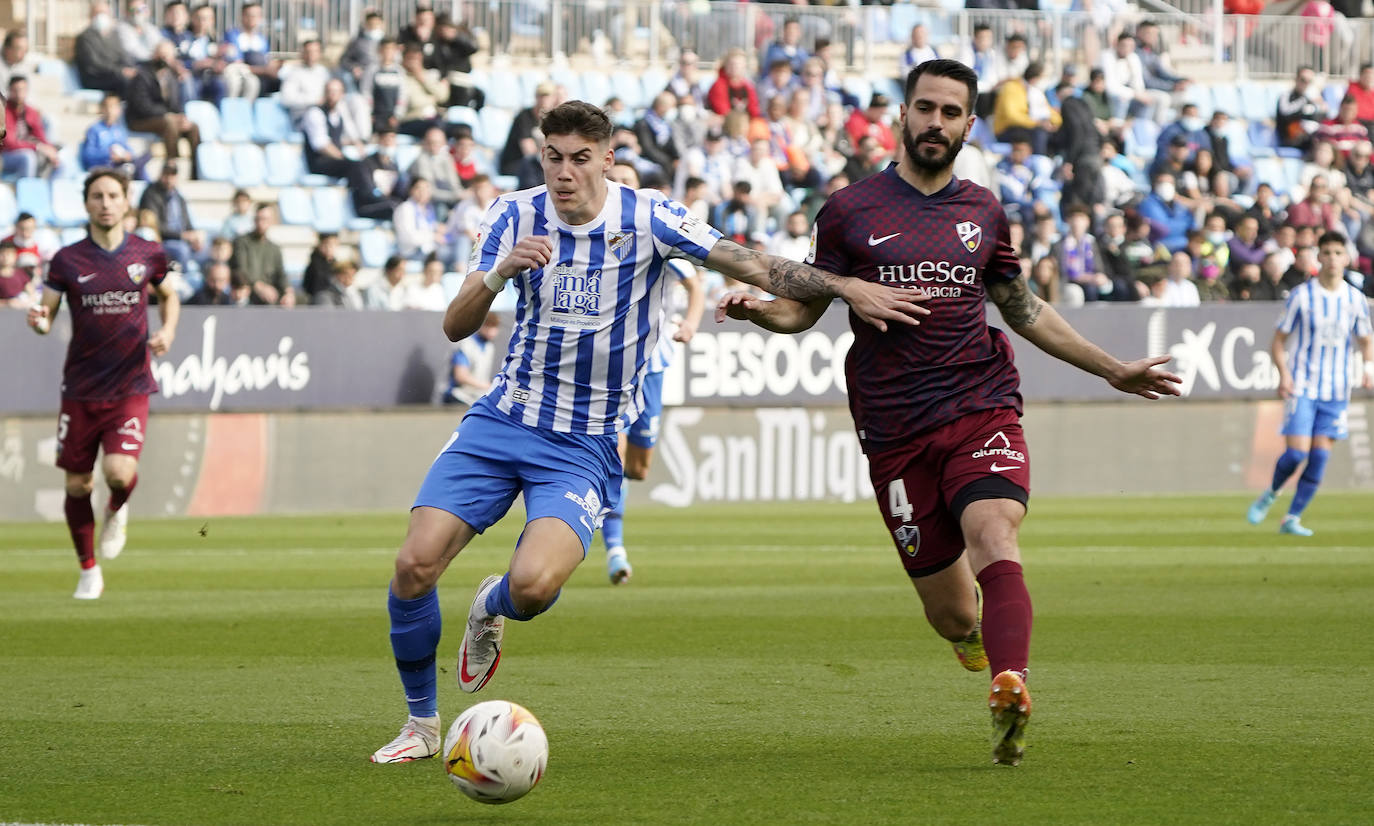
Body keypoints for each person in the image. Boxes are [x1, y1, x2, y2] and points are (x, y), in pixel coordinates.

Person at [368, 99, 926, 764]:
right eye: (554, 157)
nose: (565, 172)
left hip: (583, 444)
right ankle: (421, 726)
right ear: (540, 154)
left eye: (580, 158)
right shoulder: (513, 214)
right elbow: (455, 325)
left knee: (533, 587)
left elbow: (753, 264)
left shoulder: (650, 216)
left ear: (607, 158)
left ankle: (492, 602)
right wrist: (497, 274)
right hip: (503, 419)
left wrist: (844, 287)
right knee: (414, 564)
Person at [715, 59, 1181, 768]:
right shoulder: (849, 210)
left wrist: (1113, 367)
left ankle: (1010, 684)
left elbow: (1023, 310)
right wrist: (759, 314)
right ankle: (972, 642)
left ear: (969, 123)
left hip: (979, 404)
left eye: (950, 112)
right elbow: (801, 310)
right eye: (924, 108)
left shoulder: (983, 212)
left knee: (996, 532)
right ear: (902, 116)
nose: (935, 122)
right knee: (953, 612)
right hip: (894, 430)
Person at [25, 167, 180, 600]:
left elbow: (171, 297)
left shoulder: (148, 254)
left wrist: (166, 331)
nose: (106, 203)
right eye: (97, 196)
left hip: (130, 383)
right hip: (80, 388)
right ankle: (88, 570)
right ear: (87, 203)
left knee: (117, 472)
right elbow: (46, 314)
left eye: (113, 195)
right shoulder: (67, 260)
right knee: (77, 485)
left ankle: (118, 507)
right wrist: (38, 321)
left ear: (126, 201)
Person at [1247, 231, 1373, 536]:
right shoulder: (1302, 296)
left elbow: (1366, 339)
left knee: (1319, 457)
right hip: (1303, 385)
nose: (1331, 258)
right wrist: (1284, 374)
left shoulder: (1354, 299)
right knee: (1297, 454)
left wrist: (1368, 367)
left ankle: (1292, 518)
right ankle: (1271, 493)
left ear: (1346, 258)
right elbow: (1278, 341)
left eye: (1337, 253)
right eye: (1326, 252)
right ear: (1318, 257)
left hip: (1337, 389)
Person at [598, 255, 704, 584]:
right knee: (614, 458)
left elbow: (693, 285)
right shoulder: (606, 247)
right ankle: (615, 551)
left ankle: (614, 498)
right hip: (614, 369)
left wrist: (690, 323)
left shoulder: (660, 243)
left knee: (637, 468)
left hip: (654, 368)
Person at [124, 40, 201, 180]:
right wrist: (169, 115)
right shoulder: (142, 75)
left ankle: (196, 171)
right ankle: (172, 166)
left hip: (164, 118)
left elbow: (176, 103)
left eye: (167, 56)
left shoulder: (171, 76)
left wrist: (181, 117)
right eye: (161, 56)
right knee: (169, 122)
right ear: (155, 55)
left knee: (193, 127)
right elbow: (142, 106)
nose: (164, 60)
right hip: (140, 120)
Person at [230, 202, 294, 306]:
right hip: (247, 292)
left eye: (265, 219)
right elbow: (241, 269)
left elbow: (281, 273)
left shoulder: (274, 248)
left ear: (272, 221)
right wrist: (258, 286)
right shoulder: (242, 242)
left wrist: (288, 292)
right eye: (258, 219)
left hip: (270, 294)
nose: (261, 223)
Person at [3, 75, 61, 180]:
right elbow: (9, 143)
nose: (19, 94)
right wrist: (38, 147)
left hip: (29, 148)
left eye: (23, 90)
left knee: (61, 156)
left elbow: (41, 136)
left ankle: (48, 191)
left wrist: (50, 150)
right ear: (9, 91)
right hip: (6, 155)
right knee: (28, 157)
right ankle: (27, 193)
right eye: (15, 90)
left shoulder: (31, 111)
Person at [444, 311, 501, 405]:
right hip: (458, 396)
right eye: (488, 326)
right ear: (480, 326)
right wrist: (487, 386)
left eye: (495, 327)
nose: (492, 331)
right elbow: (461, 377)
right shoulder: (466, 344)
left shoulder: (489, 347)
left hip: (477, 396)